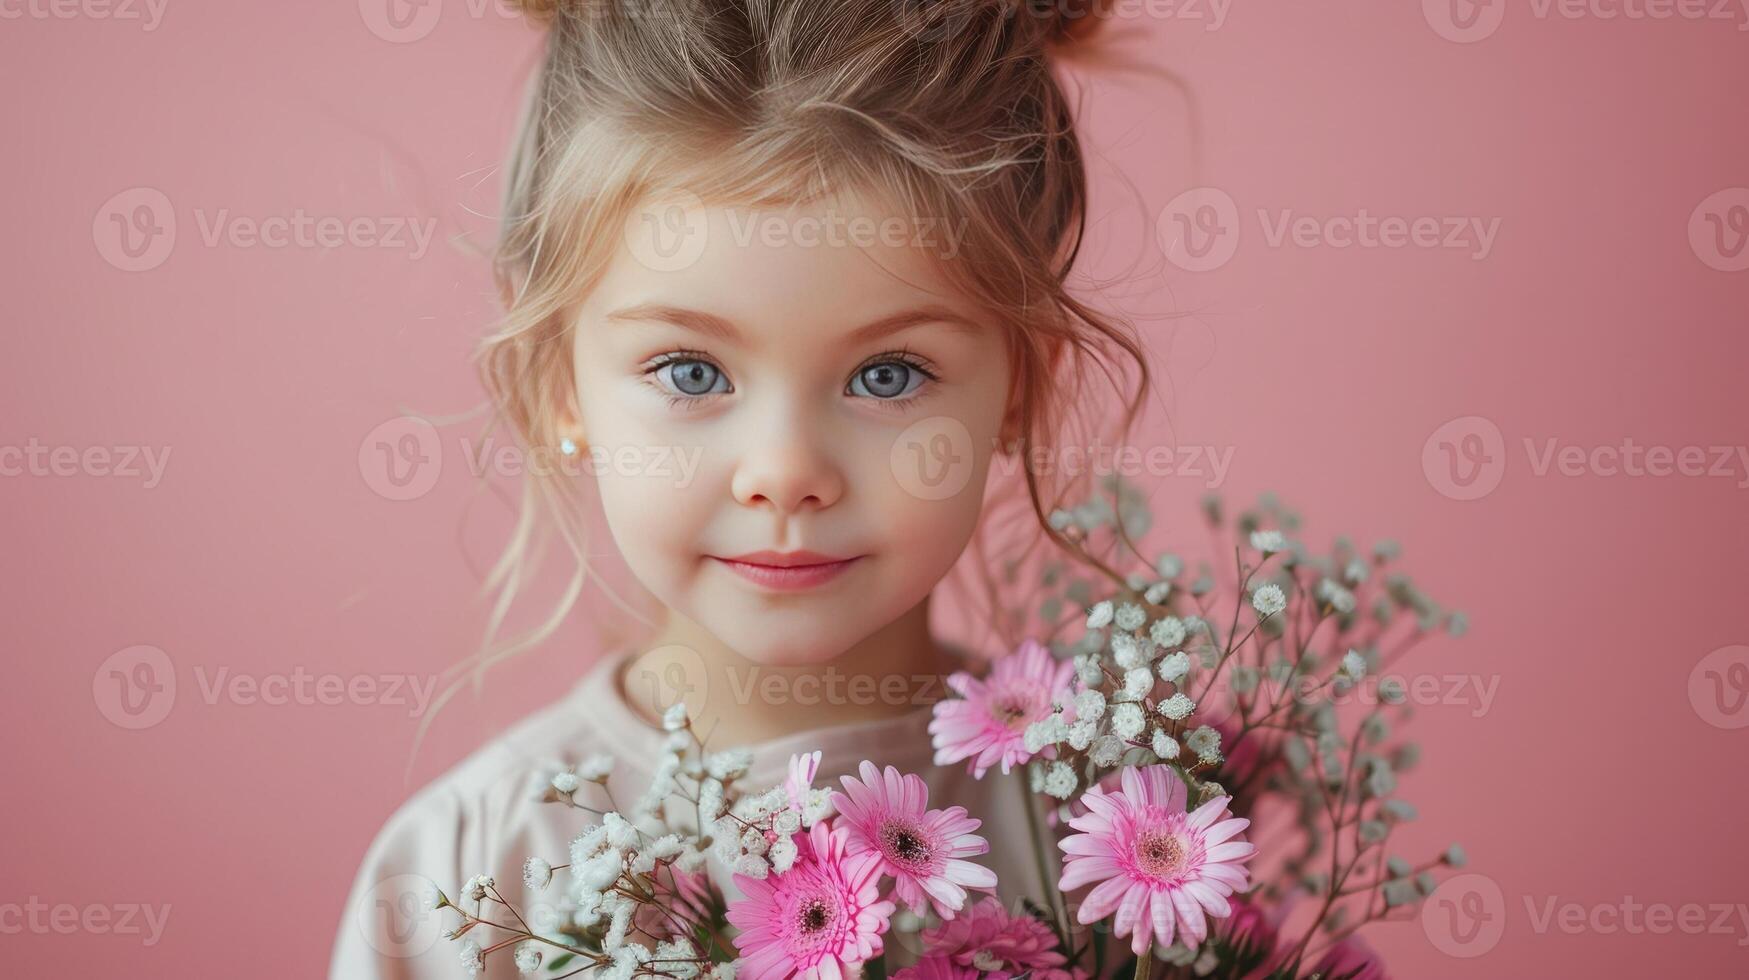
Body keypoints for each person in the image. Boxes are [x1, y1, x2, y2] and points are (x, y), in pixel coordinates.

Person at [331, 1, 1154, 975]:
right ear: (561, 379)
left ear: (1022, 382)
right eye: (690, 371)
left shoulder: (1118, 841)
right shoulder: (470, 877)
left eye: (888, 373)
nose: (785, 473)